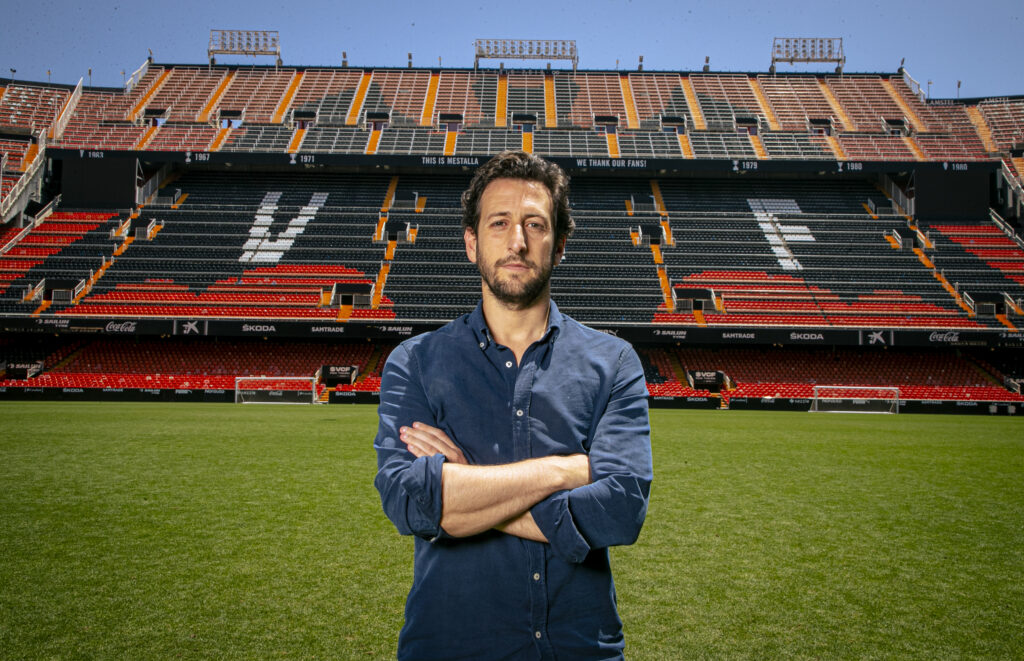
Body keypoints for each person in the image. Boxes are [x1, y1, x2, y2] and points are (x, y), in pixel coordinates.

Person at [373, 150, 653, 660]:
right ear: (471, 242)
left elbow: (621, 510)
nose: (517, 241)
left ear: (560, 244)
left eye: (535, 224)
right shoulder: (415, 361)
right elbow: (410, 503)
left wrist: (464, 487)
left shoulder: (613, 361)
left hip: (579, 650)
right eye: (499, 223)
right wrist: (566, 470)